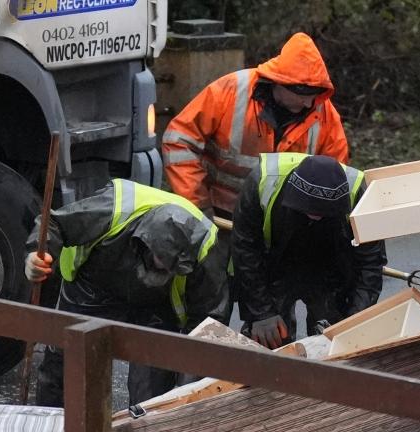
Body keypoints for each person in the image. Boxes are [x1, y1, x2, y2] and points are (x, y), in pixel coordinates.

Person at [24, 179, 230, 407]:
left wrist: (189, 385)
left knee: (153, 387)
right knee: (67, 364)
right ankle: (54, 426)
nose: (159, 269)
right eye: (156, 261)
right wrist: (35, 253)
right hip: (93, 286)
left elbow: (208, 322)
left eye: (166, 267)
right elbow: (54, 223)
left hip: (156, 304)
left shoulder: (205, 248)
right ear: (143, 242)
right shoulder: (112, 208)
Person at [162, 32, 349, 218]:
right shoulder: (231, 91)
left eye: (313, 98)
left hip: (285, 223)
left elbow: (335, 174)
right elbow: (179, 140)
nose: (309, 105)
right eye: (303, 97)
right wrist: (198, 205)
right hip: (222, 216)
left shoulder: (323, 112)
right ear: (282, 84)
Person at [231, 153, 385, 348]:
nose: (315, 217)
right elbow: (246, 250)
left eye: (322, 214)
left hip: (331, 264)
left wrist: (354, 320)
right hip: (276, 261)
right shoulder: (261, 181)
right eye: (310, 212)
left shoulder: (360, 195)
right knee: (268, 339)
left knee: (334, 342)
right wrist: (261, 313)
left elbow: (370, 263)